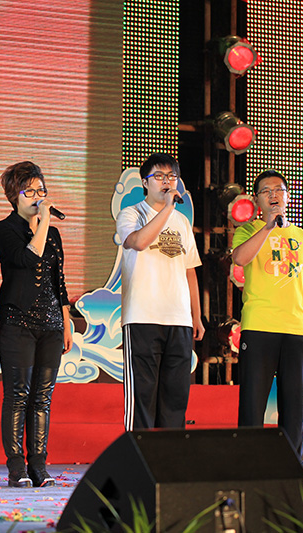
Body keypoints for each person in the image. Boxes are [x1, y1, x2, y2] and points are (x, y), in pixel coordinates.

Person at [232, 169, 303, 486]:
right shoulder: (248, 230)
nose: (273, 195)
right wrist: (269, 228)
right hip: (259, 326)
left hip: (296, 329)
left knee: (294, 404)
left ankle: (292, 466)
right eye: (266, 191)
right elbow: (240, 259)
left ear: (287, 195)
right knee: (252, 402)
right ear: (257, 200)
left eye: (279, 189)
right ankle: (248, 467)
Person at [0, 161, 72, 488]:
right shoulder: (5, 229)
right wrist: (43, 221)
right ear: (14, 196)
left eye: (42, 190)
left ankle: (39, 465)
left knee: (42, 397)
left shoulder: (52, 234)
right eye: (30, 192)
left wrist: (66, 322)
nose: (38, 197)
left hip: (51, 324)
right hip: (18, 322)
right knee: (18, 394)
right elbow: (28, 258)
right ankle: (17, 467)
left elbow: (59, 280)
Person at [116, 153, 204, 432]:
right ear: (145, 182)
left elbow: (190, 270)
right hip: (143, 316)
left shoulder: (182, 222)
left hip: (179, 319)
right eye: (159, 176)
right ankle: (139, 455)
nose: (167, 181)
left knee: (175, 397)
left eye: (172, 176)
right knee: (142, 396)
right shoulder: (131, 213)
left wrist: (196, 317)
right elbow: (139, 242)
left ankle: (170, 456)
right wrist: (166, 209)